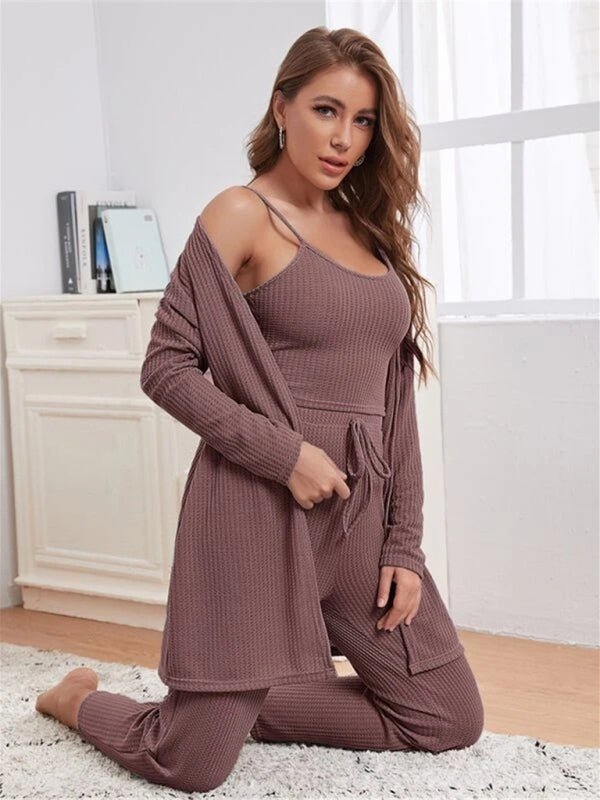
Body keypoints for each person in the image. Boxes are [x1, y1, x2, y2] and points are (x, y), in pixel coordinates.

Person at [35, 26, 484, 794]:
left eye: (363, 120)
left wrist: (405, 545)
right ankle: (80, 701)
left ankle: (236, 701)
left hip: (360, 524)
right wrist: (287, 456)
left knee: (448, 715)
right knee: (191, 764)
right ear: (282, 107)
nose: (344, 138)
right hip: (257, 513)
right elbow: (166, 367)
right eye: (325, 110)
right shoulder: (242, 213)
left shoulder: (371, 233)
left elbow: (395, 404)